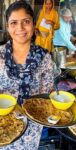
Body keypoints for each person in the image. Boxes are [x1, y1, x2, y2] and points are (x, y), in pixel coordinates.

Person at [0, 1, 54, 149]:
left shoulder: (44, 57)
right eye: (14, 23)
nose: (20, 28)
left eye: (26, 22)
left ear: (34, 24)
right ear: (7, 26)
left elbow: (47, 95)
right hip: (3, 125)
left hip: (32, 128)